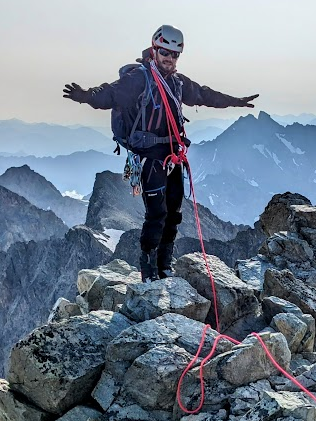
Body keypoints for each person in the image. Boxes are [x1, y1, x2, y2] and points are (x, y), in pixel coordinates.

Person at [64, 25, 258, 281]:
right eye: (165, 52)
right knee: (157, 214)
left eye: (175, 54)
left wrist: (236, 101)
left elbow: (203, 94)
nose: (169, 58)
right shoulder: (138, 78)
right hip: (149, 157)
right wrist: (86, 96)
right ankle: (148, 269)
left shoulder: (177, 83)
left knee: (174, 214)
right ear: (155, 49)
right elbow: (111, 94)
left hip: (173, 155)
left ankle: (165, 264)